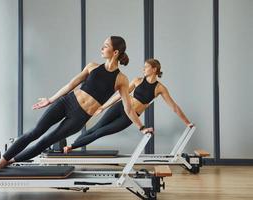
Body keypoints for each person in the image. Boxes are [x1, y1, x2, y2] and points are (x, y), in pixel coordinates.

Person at [0, 36, 153, 173]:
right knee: (35, 132)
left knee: (45, 141)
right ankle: (1, 162)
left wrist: (141, 127)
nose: (102, 48)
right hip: (67, 102)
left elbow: (128, 108)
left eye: (105, 45)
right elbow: (70, 85)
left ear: (115, 52)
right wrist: (50, 99)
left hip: (79, 118)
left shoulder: (121, 79)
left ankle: (10, 160)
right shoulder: (92, 66)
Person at [64, 58, 193, 153]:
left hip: (130, 116)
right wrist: (104, 107)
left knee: (101, 132)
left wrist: (187, 123)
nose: (143, 69)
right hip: (120, 107)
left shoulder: (160, 88)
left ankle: (71, 147)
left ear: (154, 69)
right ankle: (72, 145)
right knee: (96, 128)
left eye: (146, 67)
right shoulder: (137, 80)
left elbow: (174, 107)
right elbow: (119, 95)